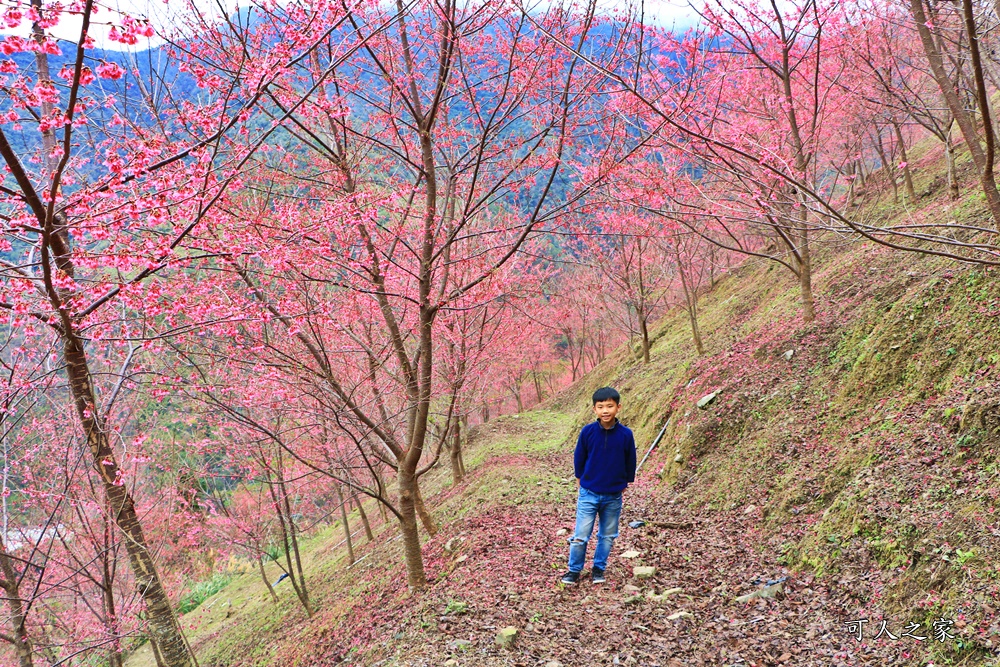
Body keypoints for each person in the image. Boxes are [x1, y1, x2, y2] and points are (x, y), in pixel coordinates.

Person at [560, 386, 637, 585]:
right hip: (589, 493)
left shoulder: (626, 434)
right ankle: (574, 570)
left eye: (609, 406)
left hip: (613, 495)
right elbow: (579, 456)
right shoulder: (587, 432)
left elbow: (631, 459)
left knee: (608, 535)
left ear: (618, 407)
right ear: (594, 409)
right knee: (580, 535)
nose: (605, 410)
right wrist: (580, 477)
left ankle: (598, 568)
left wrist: (627, 480)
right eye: (600, 406)